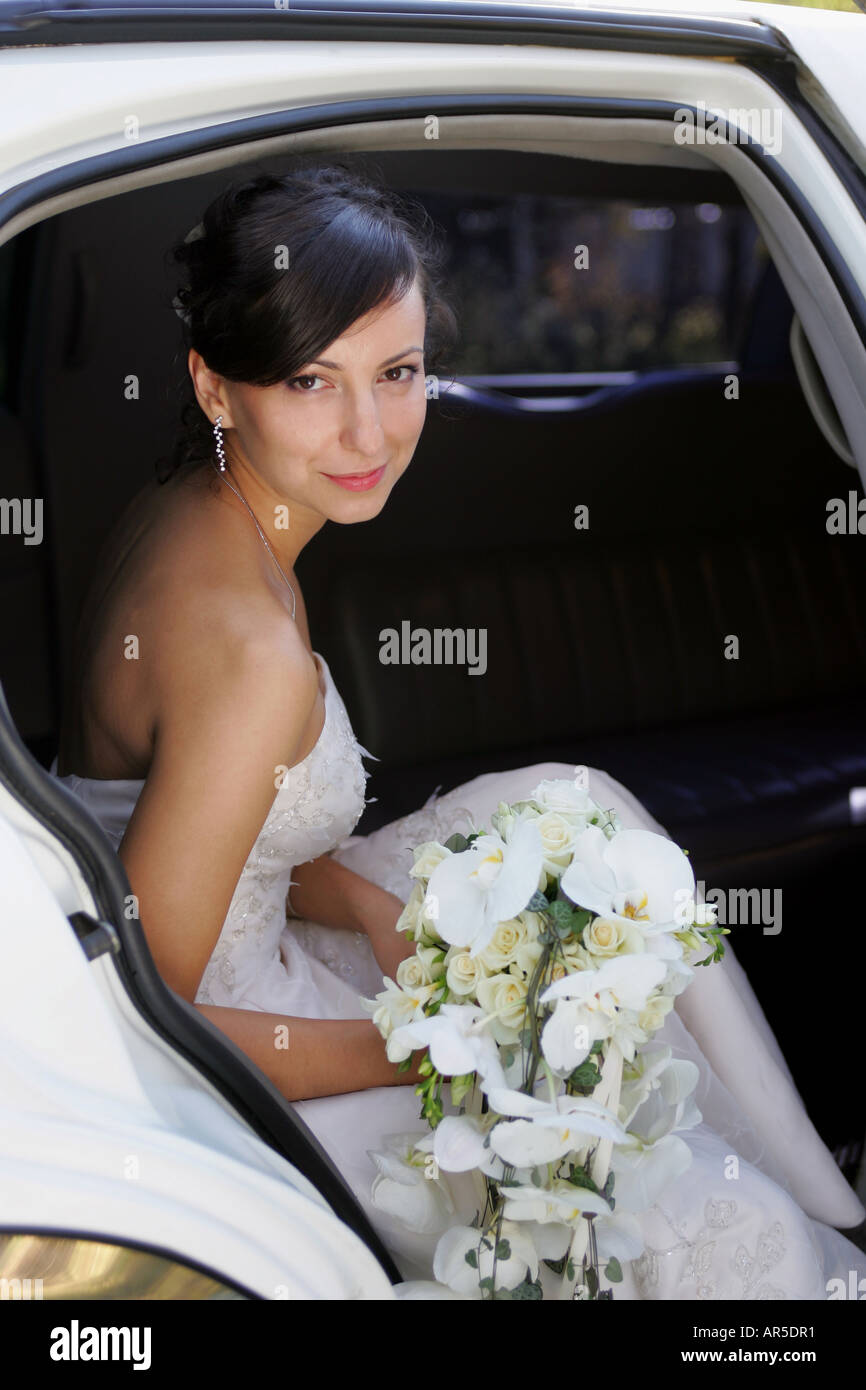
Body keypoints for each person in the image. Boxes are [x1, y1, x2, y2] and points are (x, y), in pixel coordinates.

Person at [52, 163, 866, 1298]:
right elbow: (151, 1016)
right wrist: (438, 1046)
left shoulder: (196, 505)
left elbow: (226, 835)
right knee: (723, 1231)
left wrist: (370, 908)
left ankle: (808, 1187)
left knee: (577, 812)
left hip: (259, 937)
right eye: (309, 380)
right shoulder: (247, 660)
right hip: (250, 1065)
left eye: (396, 373)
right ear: (214, 386)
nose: (367, 431)